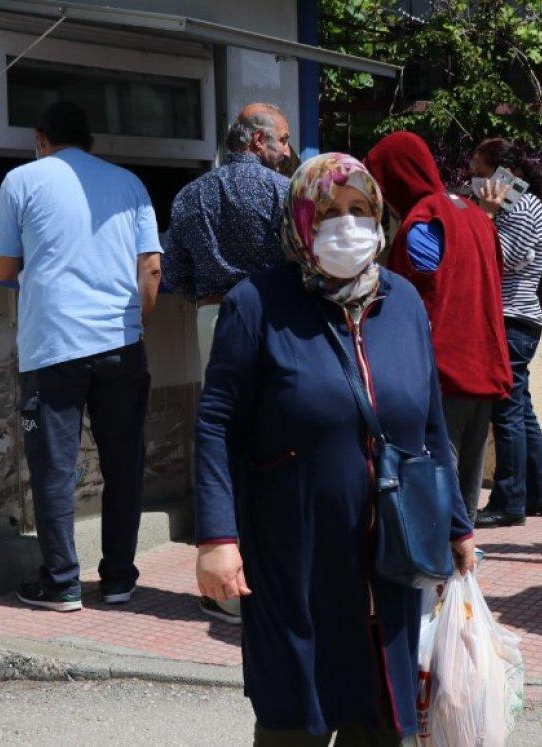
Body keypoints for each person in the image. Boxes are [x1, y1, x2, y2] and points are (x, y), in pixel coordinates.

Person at [193, 153, 476, 744]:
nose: (346, 225)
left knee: (380, 717)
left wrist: (456, 525)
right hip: (295, 553)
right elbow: (216, 425)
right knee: (295, 715)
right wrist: (217, 538)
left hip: (393, 556)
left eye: (359, 210)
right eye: (327, 212)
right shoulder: (256, 304)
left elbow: (429, 425)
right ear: (300, 221)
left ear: (380, 218)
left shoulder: (402, 304)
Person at [0, 101, 162, 611]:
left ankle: (62, 582)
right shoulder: (128, 183)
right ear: (90, 141)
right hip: (121, 347)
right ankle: (118, 580)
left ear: (41, 139)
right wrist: (133, 326)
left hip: (54, 347)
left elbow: (1, 268)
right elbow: (150, 267)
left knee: (54, 467)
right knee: (124, 464)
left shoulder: (23, 181)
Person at [162, 103, 292, 626]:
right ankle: (273, 573)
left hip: (214, 317)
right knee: (279, 440)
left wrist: (203, 297)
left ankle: (227, 589)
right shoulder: (283, 193)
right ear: (258, 141)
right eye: (282, 140)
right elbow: (305, 257)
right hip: (277, 318)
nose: (287, 151)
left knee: (222, 440)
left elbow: (173, 272)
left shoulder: (191, 195)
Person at [365, 132, 512, 523]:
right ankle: (461, 573)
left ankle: (439, 577)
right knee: (465, 494)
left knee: (436, 492)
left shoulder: (424, 222)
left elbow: (407, 297)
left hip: (445, 374)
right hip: (485, 367)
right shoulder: (473, 213)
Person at [468, 138, 542, 529]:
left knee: (505, 409)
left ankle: (509, 500)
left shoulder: (520, 207)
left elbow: (501, 260)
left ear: (502, 173)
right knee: (520, 408)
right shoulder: (516, 205)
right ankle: (541, 494)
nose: (474, 182)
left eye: (480, 173)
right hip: (515, 317)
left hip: (514, 318)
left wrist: (484, 218)